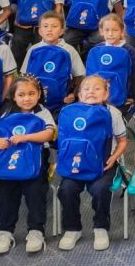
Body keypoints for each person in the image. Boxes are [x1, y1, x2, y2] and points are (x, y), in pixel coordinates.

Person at [55, 76, 128, 251]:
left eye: (97, 88)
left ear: (106, 94)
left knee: (100, 189)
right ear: (80, 95)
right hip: (76, 163)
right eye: (86, 89)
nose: (91, 92)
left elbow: (122, 140)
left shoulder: (112, 113)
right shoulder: (71, 112)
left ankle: (100, 227)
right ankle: (73, 229)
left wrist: (114, 157)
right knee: (66, 189)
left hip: (103, 164)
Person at [0, 75, 56, 254]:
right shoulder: (7, 113)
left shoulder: (42, 112)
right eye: (21, 95)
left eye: (31, 94)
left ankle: (36, 231)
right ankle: (5, 231)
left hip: (35, 160)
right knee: (5, 190)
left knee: (35, 190)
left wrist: (26, 137)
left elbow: (49, 134)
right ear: (14, 97)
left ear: (39, 94)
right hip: (10, 160)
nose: (27, 99)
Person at [22, 11, 86, 112]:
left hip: (62, 102)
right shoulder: (33, 50)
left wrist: (73, 94)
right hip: (35, 102)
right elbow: (24, 76)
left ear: (62, 31)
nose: (49, 29)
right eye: (45, 26)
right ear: (40, 31)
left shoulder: (69, 50)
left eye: (54, 26)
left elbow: (80, 76)